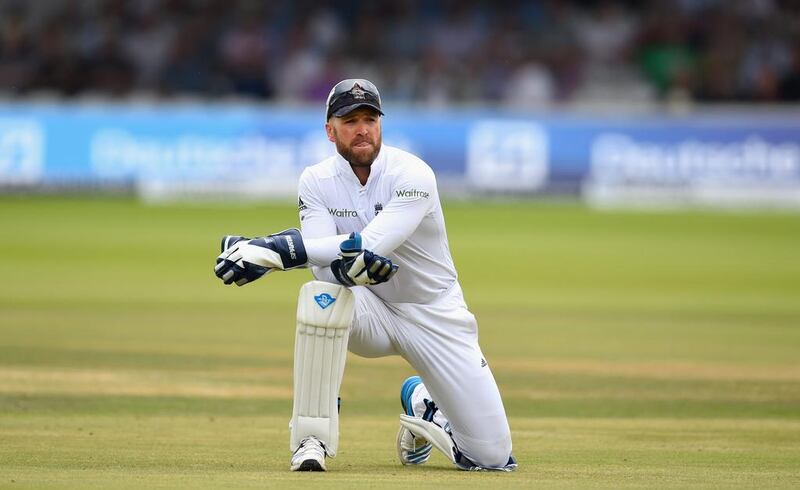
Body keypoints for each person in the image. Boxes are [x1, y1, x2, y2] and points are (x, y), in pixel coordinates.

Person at [214, 78, 516, 472]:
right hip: (371, 309)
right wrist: (327, 261)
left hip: (435, 313)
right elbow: (325, 262)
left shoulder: (413, 175)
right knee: (320, 295)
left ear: (380, 124)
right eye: (350, 119)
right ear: (330, 129)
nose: (362, 129)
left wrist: (274, 249)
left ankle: (426, 405)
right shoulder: (316, 180)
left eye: (370, 119)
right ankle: (311, 439)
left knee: (491, 458)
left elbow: (371, 242)